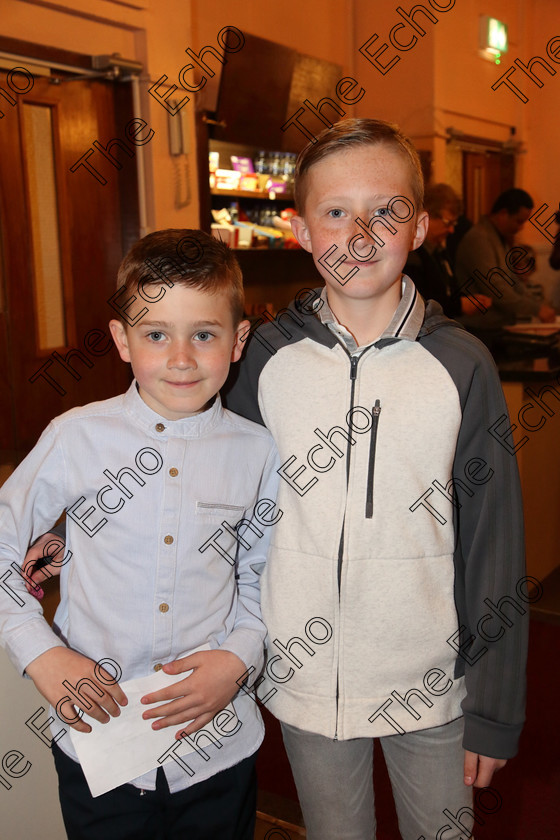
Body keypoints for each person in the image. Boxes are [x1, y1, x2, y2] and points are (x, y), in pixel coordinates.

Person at [223, 119, 527, 840]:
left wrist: (495, 705)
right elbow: (220, 505)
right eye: (336, 211)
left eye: (385, 211)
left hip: (433, 688)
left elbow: (495, 544)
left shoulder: (462, 367)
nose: (360, 234)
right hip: (305, 685)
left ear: (420, 228)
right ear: (300, 228)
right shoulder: (263, 360)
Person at [0, 229, 279, 840]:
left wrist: (238, 657)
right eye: (157, 335)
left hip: (216, 745)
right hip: (99, 744)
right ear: (123, 341)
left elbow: (267, 576)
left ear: (238, 342)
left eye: (203, 334)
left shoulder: (258, 451)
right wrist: (39, 651)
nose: (181, 358)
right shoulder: (77, 437)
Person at [455, 188, 556, 326]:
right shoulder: (479, 238)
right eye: (519, 221)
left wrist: (539, 305)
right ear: (503, 213)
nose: (520, 228)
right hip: (479, 326)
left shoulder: (497, 237)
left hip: (496, 323)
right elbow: (496, 288)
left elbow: (512, 281)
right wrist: (536, 309)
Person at [404, 183, 492, 317]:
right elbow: (419, 306)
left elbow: (446, 291)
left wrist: (466, 300)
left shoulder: (438, 251)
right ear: (425, 217)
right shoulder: (411, 255)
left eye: (454, 224)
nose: (451, 230)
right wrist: (459, 305)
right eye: (447, 223)